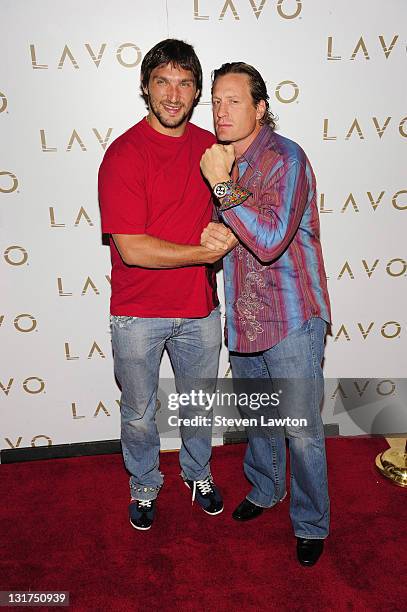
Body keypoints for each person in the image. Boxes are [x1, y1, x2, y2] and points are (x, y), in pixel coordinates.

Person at [98, 40, 235, 531]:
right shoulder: (124, 154)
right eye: (163, 82)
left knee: (198, 405)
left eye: (184, 83)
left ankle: (197, 473)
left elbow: (239, 206)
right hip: (137, 314)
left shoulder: (212, 150)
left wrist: (228, 218)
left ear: (197, 91)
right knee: (139, 411)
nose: (173, 95)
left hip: (200, 309)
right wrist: (205, 252)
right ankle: (144, 482)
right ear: (146, 88)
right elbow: (132, 248)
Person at [200, 62, 332, 566]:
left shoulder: (285, 157)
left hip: (293, 315)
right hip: (247, 314)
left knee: (300, 427)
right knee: (259, 417)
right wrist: (215, 237)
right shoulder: (224, 162)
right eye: (215, 100)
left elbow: (273, 239)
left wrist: (221, 187)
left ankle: (312, 522)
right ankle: (265, 488)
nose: (220, 110)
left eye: (233, 100)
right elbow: (233, 232)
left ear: (259, 108)